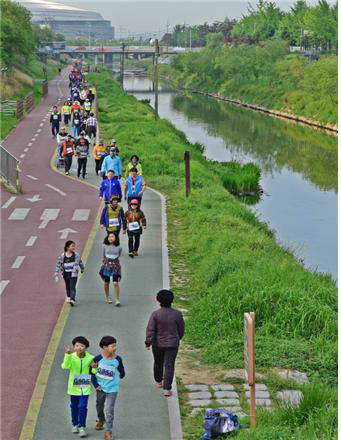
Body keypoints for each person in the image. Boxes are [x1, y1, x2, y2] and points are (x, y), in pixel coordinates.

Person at [145, 290, 185, 397]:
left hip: (158, 344)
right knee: (169, 365)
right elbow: (181, 329)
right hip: (172, 344)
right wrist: (177, 338)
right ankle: (167, 389)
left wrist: (148, 342)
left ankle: (159, 381)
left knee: (158, 362)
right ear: (172, 300)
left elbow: (150, 330)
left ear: (158, 300)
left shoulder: (155, 314)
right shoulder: (177, 314)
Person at [61, 336, 97, 437]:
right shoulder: (71, 356)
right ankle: (75, 424)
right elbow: (65, 366)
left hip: (85, 386)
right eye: (76, 345)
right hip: (74, 387)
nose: (79, 347)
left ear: (86, 347)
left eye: (82, 346)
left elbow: (93, 372)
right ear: (74, 347)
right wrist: (67, 355)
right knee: (74, 406)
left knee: (82, 407)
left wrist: (95, 367)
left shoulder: (90, 358)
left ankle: (81, 427)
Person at [91, 336, 125, 438]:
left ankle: (108, 432)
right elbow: (92, 373)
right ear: (105, 347)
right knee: (99, 406)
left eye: (115, 345)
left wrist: (121, 374)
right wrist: (96, 385)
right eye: (112, 346)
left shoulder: (117, 359)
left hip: (113, 388)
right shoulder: (98, 359)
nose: (115, 348)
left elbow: (122, 371)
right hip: (100, 388)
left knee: (109, 410)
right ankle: (101, 420)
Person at [54, 240, 84, 305]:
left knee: (72, 286)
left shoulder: (76, 255)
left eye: (74, 246)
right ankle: (68, 296)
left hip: (73, 273)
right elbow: (59, 264)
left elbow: (80, 262)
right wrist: (56, 272)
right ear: (67, 247)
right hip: (65, 273)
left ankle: (72, 299)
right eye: (72, 246)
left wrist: (82, 269)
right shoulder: (63, 256)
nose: (74, 248)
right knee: (67, 286)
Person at [99, 233, 122, 305]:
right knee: (106, 282)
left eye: (112, 236)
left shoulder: (119, 247)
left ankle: (117, 299)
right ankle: (107, 297)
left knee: (115, 283)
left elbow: (118, 255)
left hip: (115, 266)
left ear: (116, 238)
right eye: (109, 237)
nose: (110, 238)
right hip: (107, 266)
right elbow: (103, 256)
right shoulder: (104, 246)